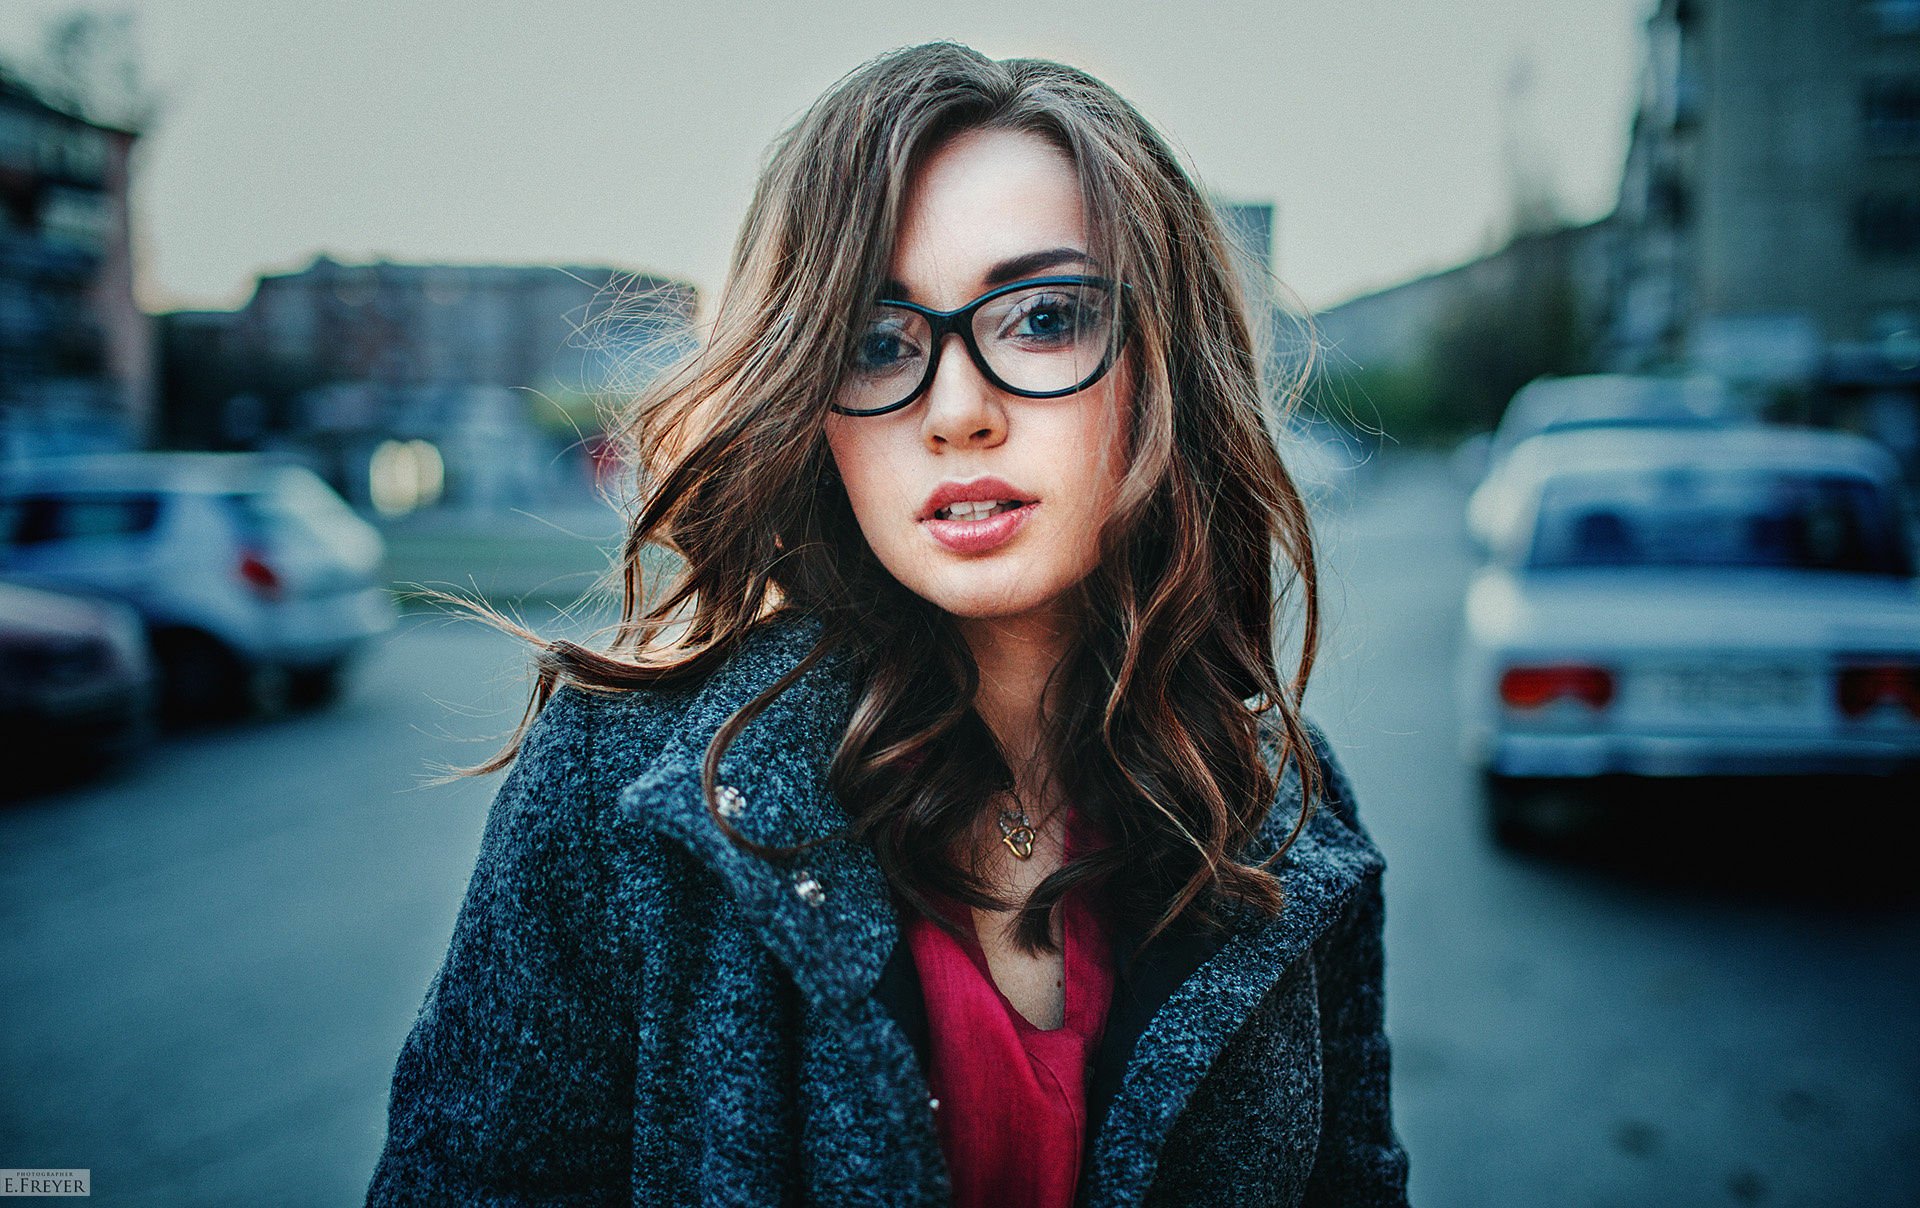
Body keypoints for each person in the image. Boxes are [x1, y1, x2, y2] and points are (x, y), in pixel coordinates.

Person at [366, 40, 1410, 1207]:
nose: (958, 410)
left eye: (1043, 317)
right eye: (876, 343)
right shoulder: (613, 783)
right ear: (808, 399)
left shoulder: (1279, 804)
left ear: (1165, 365)